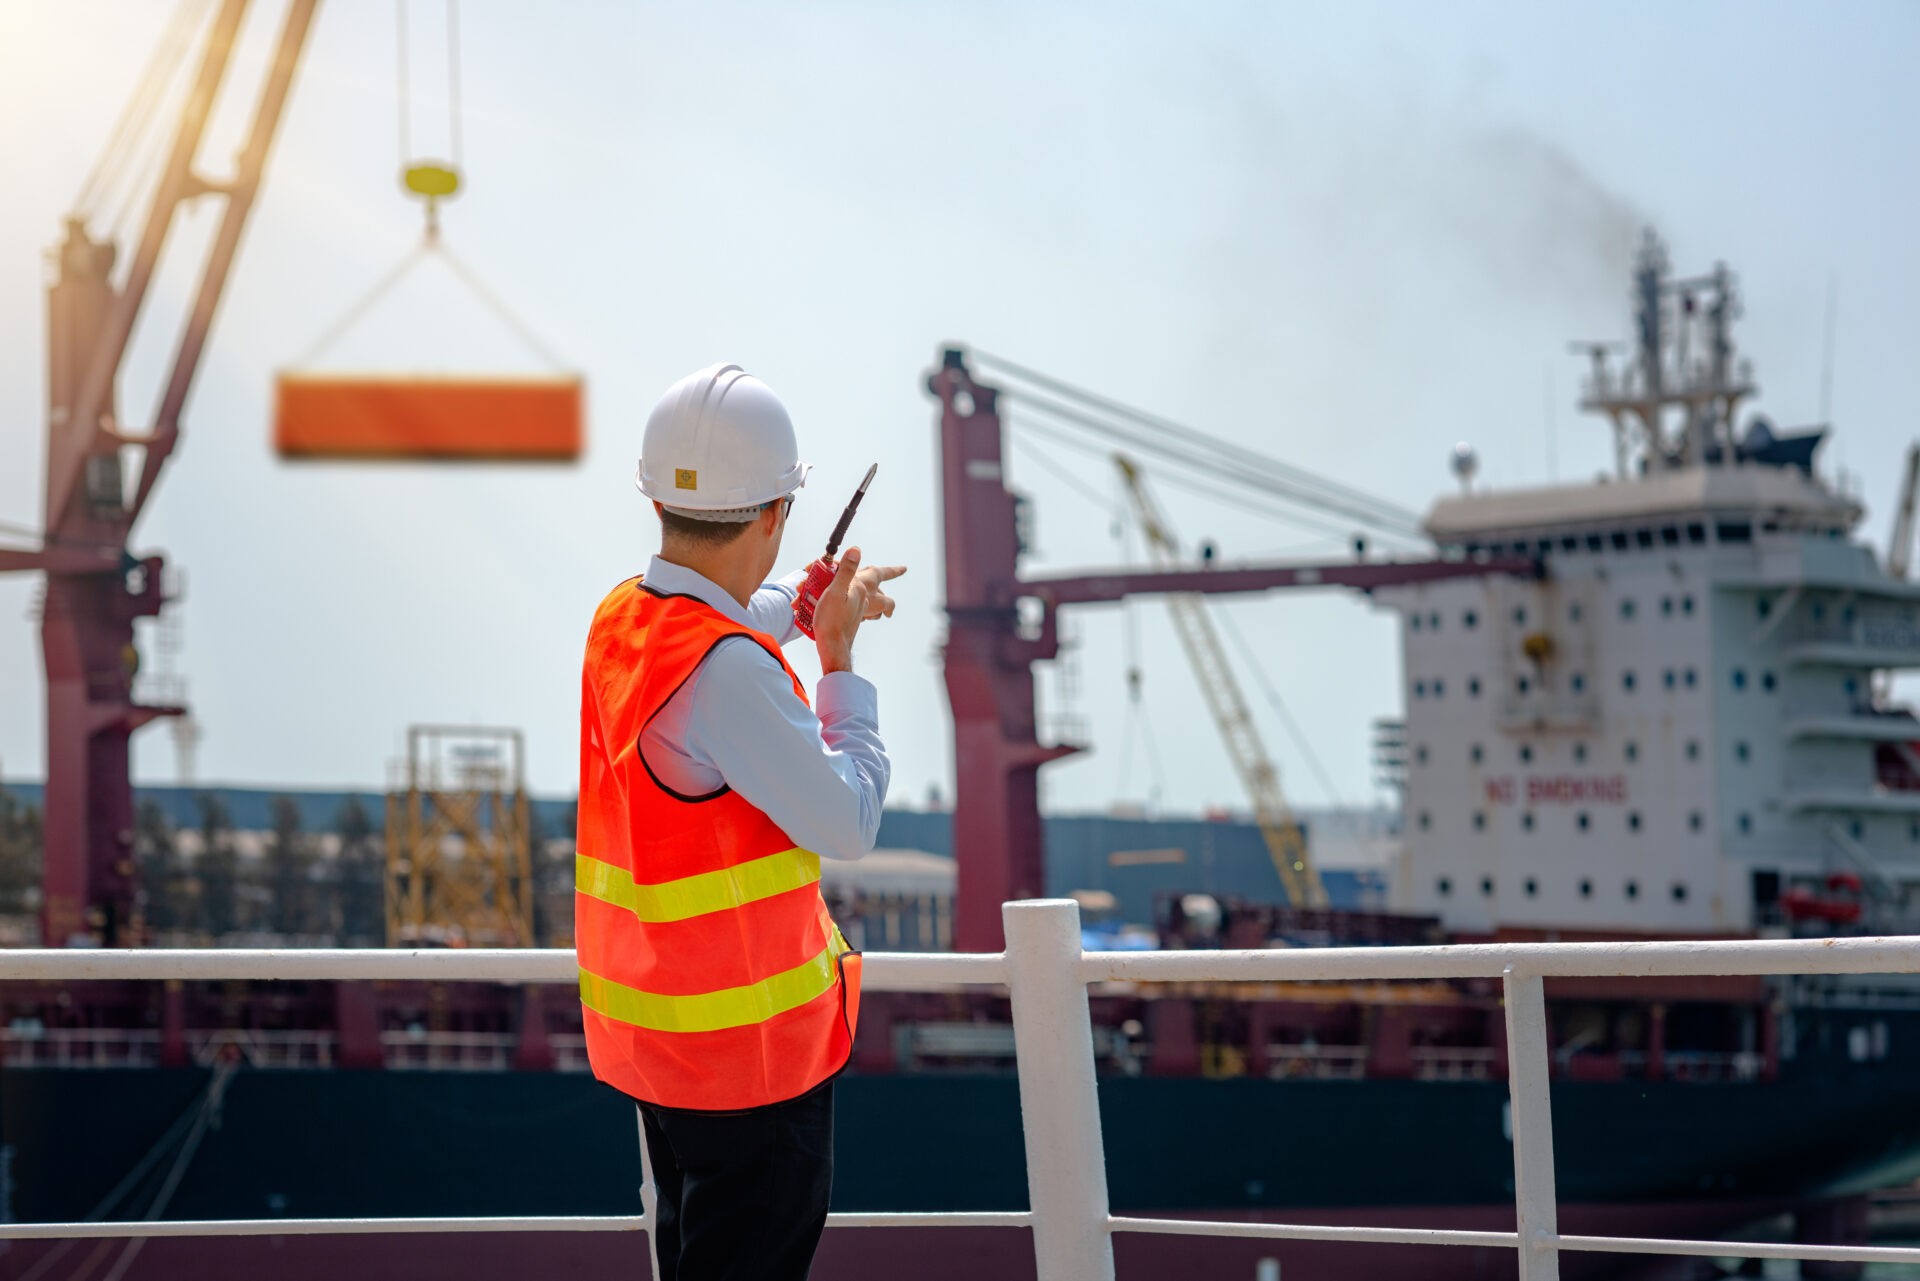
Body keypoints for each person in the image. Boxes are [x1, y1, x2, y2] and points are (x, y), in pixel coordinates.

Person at [575, 362, 904, 1281]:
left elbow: (720, 613)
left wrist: (799, 604)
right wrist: (839, 660)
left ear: (658, 505)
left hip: (666, 1054)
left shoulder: (624, 622)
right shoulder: (730, 674)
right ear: (772, 513)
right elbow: (847, 821)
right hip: (754, 1070)